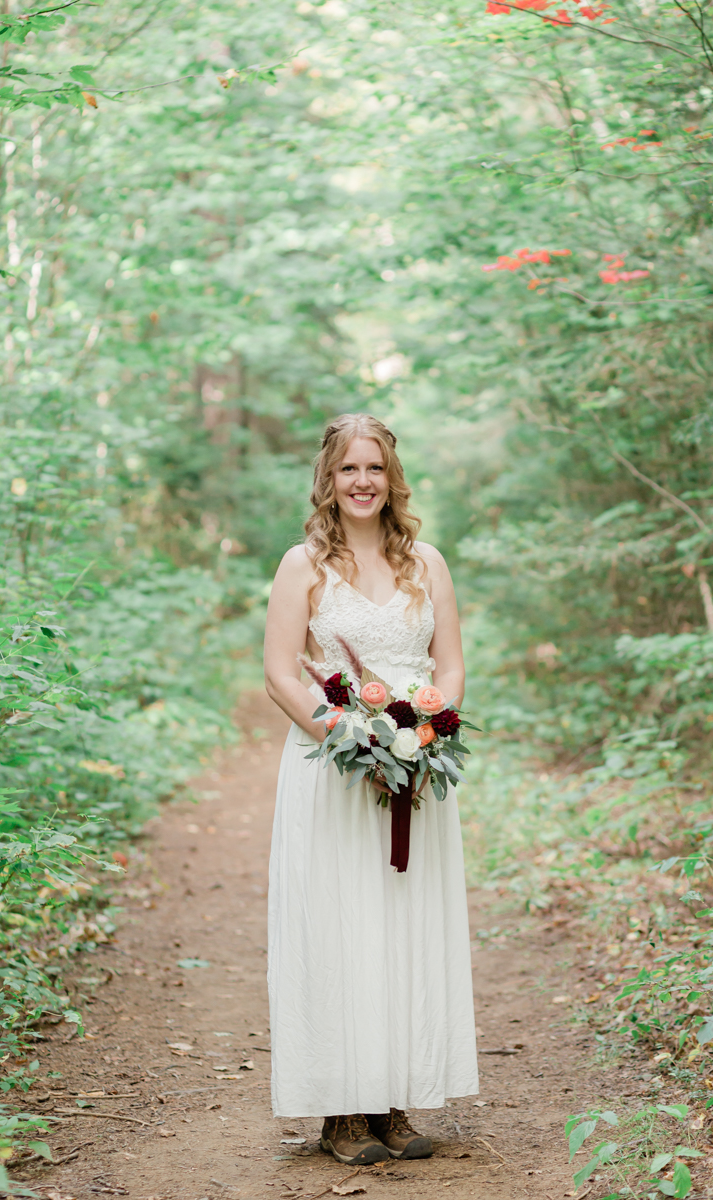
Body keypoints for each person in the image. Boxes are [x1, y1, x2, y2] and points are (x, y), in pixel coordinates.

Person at [263, 413, 479, 1165]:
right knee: (338, 926)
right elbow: (281, 673)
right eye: (349, 469)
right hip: (333, 772)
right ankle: (340, 1114)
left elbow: (448, 668)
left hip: (413, 777)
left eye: (375, 469)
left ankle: (392, 1104)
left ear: (393, 479)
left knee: (400, 927)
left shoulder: (428, 564)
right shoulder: (303, 565)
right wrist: (348, 737)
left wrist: (421, 733)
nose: (362, 482)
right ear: (329, 478)